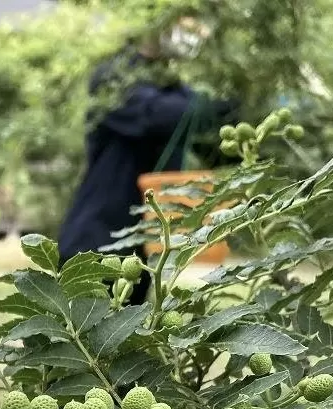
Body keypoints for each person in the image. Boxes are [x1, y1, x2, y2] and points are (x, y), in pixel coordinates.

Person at [58, 18, 238, 305]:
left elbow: (212, 141)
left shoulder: (173, 88)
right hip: (94, 244)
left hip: (140, 254)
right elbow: (159, 114)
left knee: (126, 343)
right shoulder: (113, 78)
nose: (196, 33)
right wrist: (228, 105)